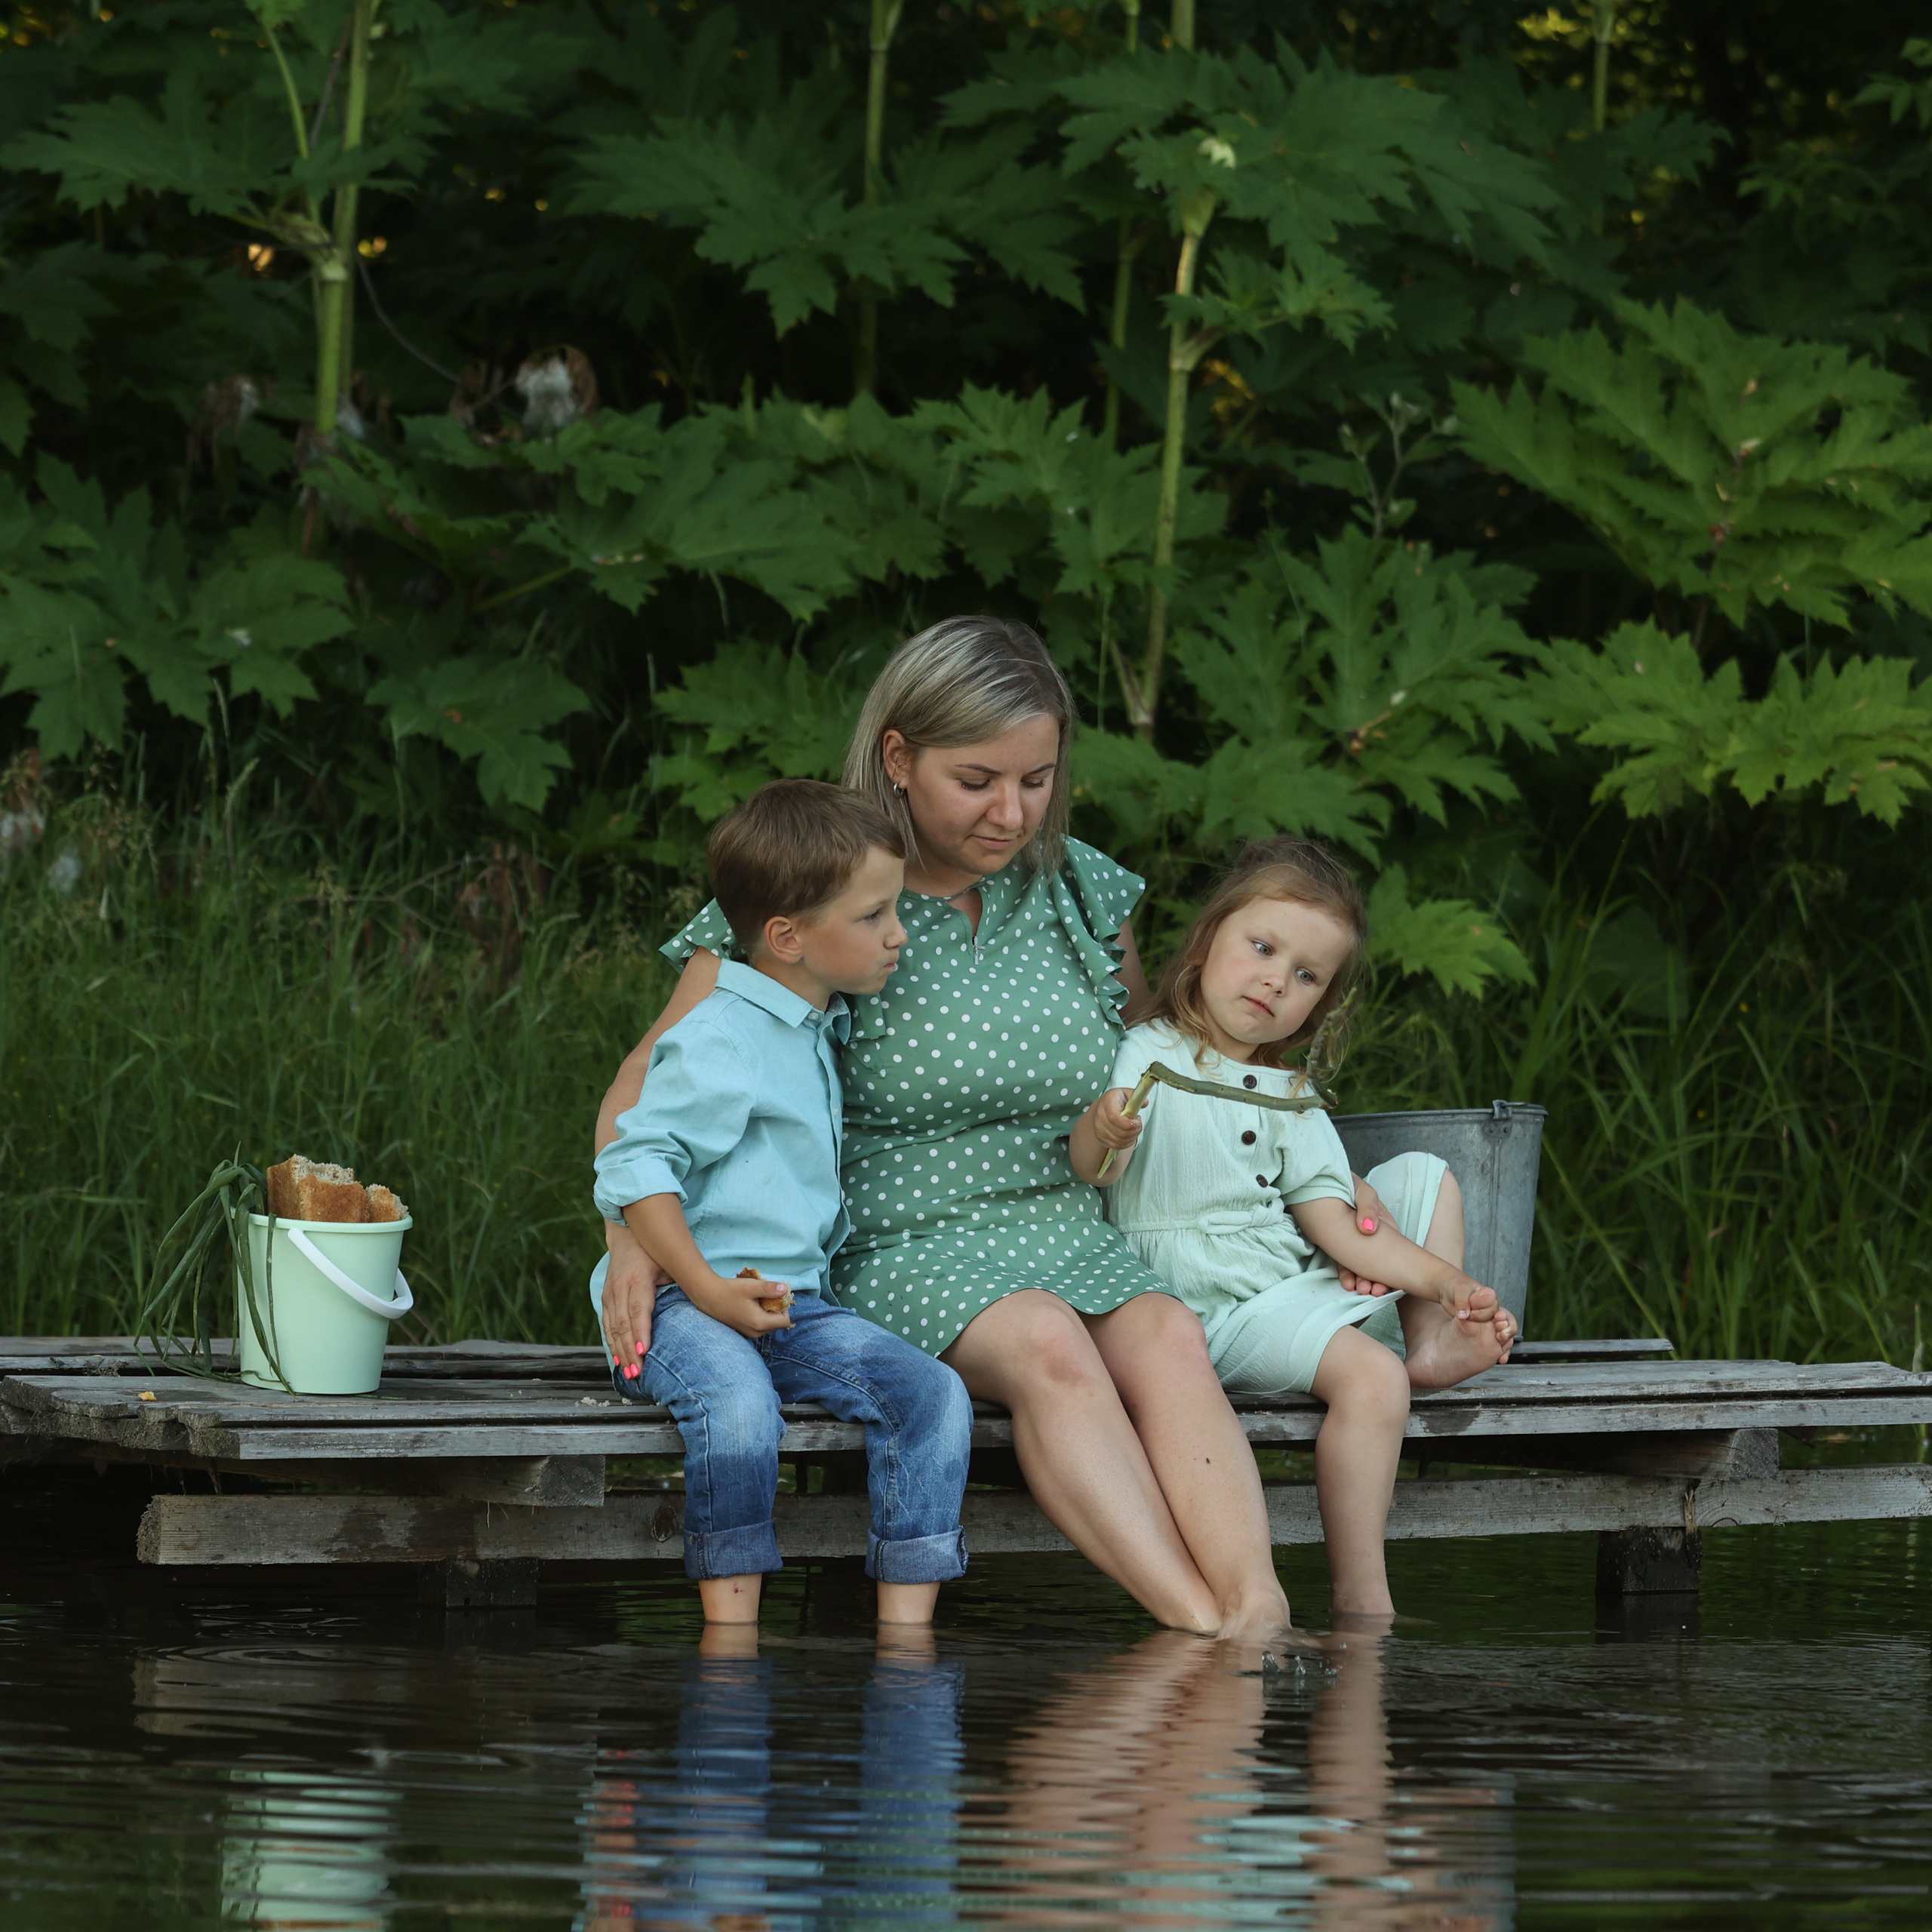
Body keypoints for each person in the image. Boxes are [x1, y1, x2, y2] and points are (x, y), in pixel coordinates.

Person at [598, 617, 1373, 1640]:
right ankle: (1202, 1632)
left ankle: (1259, 1610)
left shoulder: (1080, 891)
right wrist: (635, 1245)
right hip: (900, 1235)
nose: (1013, 812)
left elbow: (1172, 1058)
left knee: (1167, 1334)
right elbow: (645, 1095)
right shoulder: (823, 895)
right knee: (1051, 1346)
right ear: (898, 759)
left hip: (1064, 1217)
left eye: (1038, 779)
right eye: (979, 780)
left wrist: (1308, 1175)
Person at [1073, 835, 1517, 1622]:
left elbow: (1340, 1227)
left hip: (1276, 1283)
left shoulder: (1292, 1095)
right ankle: (1364, 1600)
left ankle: (1430, 1333)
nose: (1277, 978)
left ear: (1322, 1000)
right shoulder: (1147, 1051)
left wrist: (1447, 1282)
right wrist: (1104, 1133)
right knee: (1370, 1379)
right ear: (1208, 942)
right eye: (1262, 947)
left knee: (1424, 1176)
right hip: (1202, 1311)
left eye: (1306, 974)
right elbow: (1096, 1174)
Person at [593, 779, 973, 1628]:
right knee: (737, 1405)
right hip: (680, 1304)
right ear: (787, 938)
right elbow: (638, 1162)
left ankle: (906, 1639)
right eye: (875, 915)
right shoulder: (723, 1033)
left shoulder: (811, 1022)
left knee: (934, 1394)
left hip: (789, 1301)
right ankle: (731, 1644)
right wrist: (702, 1287)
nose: (899, 934)